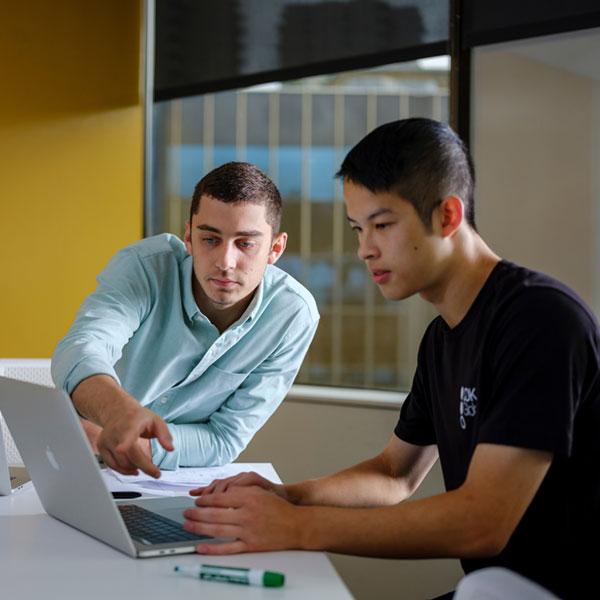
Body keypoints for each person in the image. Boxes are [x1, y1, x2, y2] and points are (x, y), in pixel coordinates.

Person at [182, 119, 599, 599]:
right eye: (359, 229)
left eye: (382, 225)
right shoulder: (443, 338)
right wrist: (287, 495)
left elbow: (482, 524)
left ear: (446, 216)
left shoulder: (540, 320)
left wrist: (298, 527)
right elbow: (394, 474)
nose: (364, 249)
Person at [51, 162, 319, 478]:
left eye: (245, 243)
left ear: (275, 248)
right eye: (210, 239)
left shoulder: (292, 316)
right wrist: (119, 414)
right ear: (188, 237)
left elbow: (225, 439)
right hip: (76, 464)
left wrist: (128, 441)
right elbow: (80, 351)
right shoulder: (145, 267)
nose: (225, 262)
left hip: (172, 478)